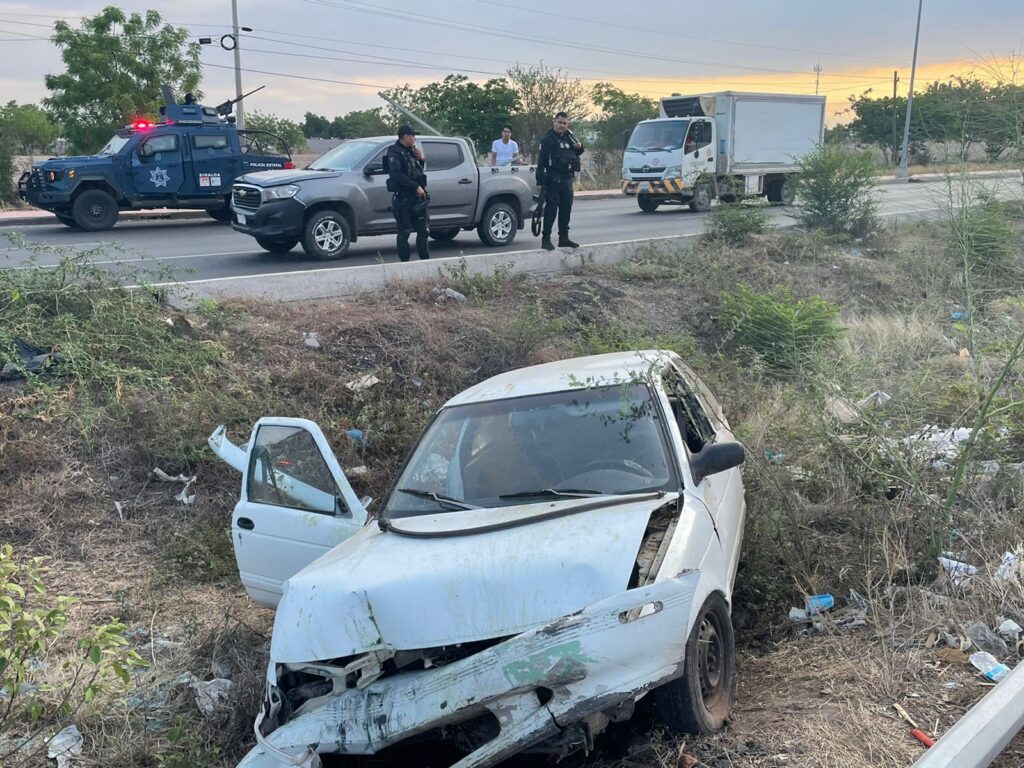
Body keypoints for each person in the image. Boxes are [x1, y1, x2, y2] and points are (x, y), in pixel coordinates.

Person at [535, 112, 584, 251]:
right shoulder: (548, 139)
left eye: (564, 123)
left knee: (566, 210)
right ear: (554, 122)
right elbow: (542, 161)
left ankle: (564, 238)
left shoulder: (569, 137)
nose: (562, 125)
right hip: (553, 179)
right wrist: (539, 182)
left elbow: (580, 151)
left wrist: (579, 145)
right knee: (551, 211)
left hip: (567, 179)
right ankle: (546, 239)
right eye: (560, 122)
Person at [386, 125, 429, 262]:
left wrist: (421, 159)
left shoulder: (412, 151)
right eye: (412, 136)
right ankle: (404, 264)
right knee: (404, 232)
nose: (415, 139)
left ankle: (425, 262)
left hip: (418, 198)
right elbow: (397, 175)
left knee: (423, 230)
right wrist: (415, 186)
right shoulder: (394, 151)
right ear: (405, 137)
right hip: (403, 198)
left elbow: (417, 172)